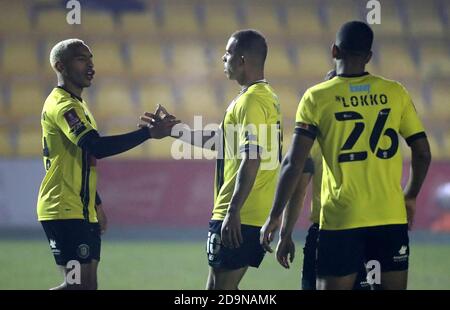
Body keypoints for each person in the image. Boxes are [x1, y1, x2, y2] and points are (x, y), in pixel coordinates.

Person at [261, 21, 431, 290]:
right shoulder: (395, 92)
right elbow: (422, 153)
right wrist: (409, 197)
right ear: (369, 57)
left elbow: (294, 163)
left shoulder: (317, 97)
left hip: (342, 219)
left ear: (334, 51)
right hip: (390, 217)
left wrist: (274, 216)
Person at [142, 29, 289, 290]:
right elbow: (222, 140)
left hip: (239, 212)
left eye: (228, 53)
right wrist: (175, 131)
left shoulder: (251, 101)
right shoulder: (264, 97)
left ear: (242, 60)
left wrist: (232, 211)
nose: (223, 58)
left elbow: (252, 158)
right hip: (252, 210)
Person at [37, 39, 178, 290]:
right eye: (81, 59)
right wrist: (147, 134)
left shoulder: (78, 105)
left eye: (91, 59)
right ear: (60, 66)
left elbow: (83, 160)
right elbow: (97, 147)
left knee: (86, 287)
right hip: (63, 208)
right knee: (77, 286)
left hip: (80, 209)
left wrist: (96, 204)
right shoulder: (64, 106)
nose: (91, 66)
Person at [266, 70, 371, 290]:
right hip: (372, 228)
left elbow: (299, 189)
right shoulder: (371, 139)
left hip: (329, 230)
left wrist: (285, 234)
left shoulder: (313, 140)